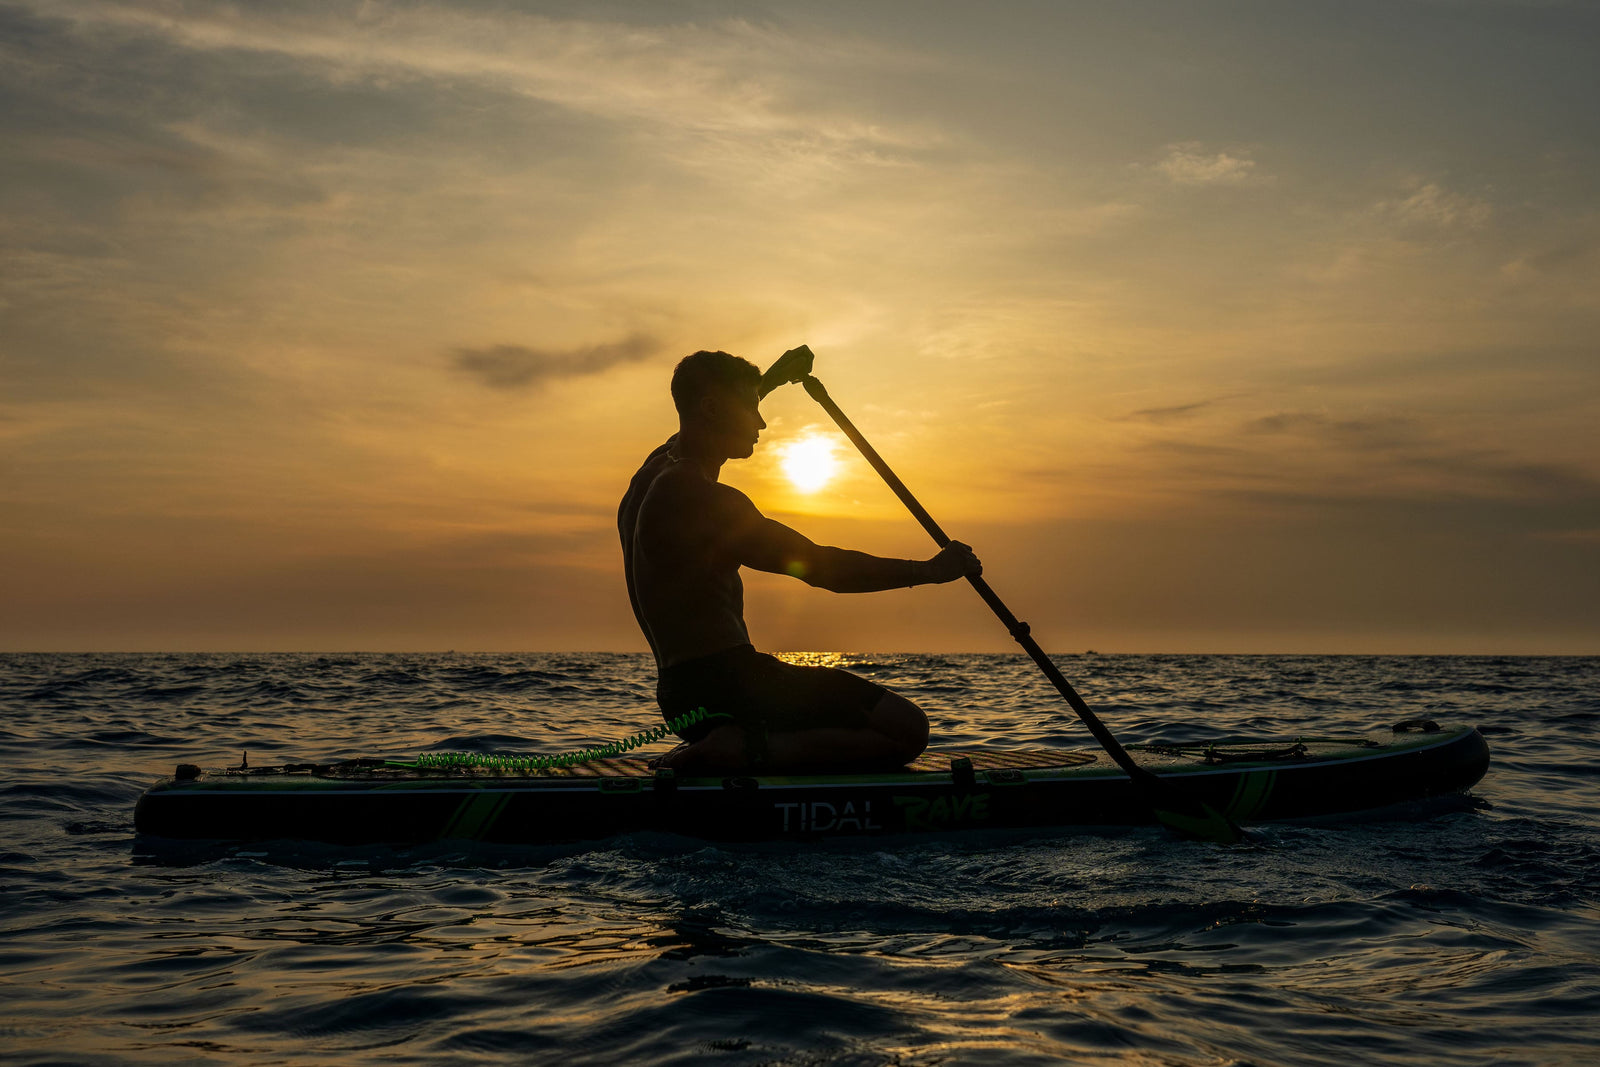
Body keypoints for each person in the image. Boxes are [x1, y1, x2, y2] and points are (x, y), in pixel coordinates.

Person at [618, 345, 982, 774]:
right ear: (712, 408)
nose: (761, 422)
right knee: (908, 730)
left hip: (679, 695)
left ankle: (742, 742)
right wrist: (932, 570)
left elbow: (699, 420)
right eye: (751, 408)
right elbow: (821, 567)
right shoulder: (703, 500)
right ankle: (738, 748)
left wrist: (770, 380)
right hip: (729, 686)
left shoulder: (650, 474)